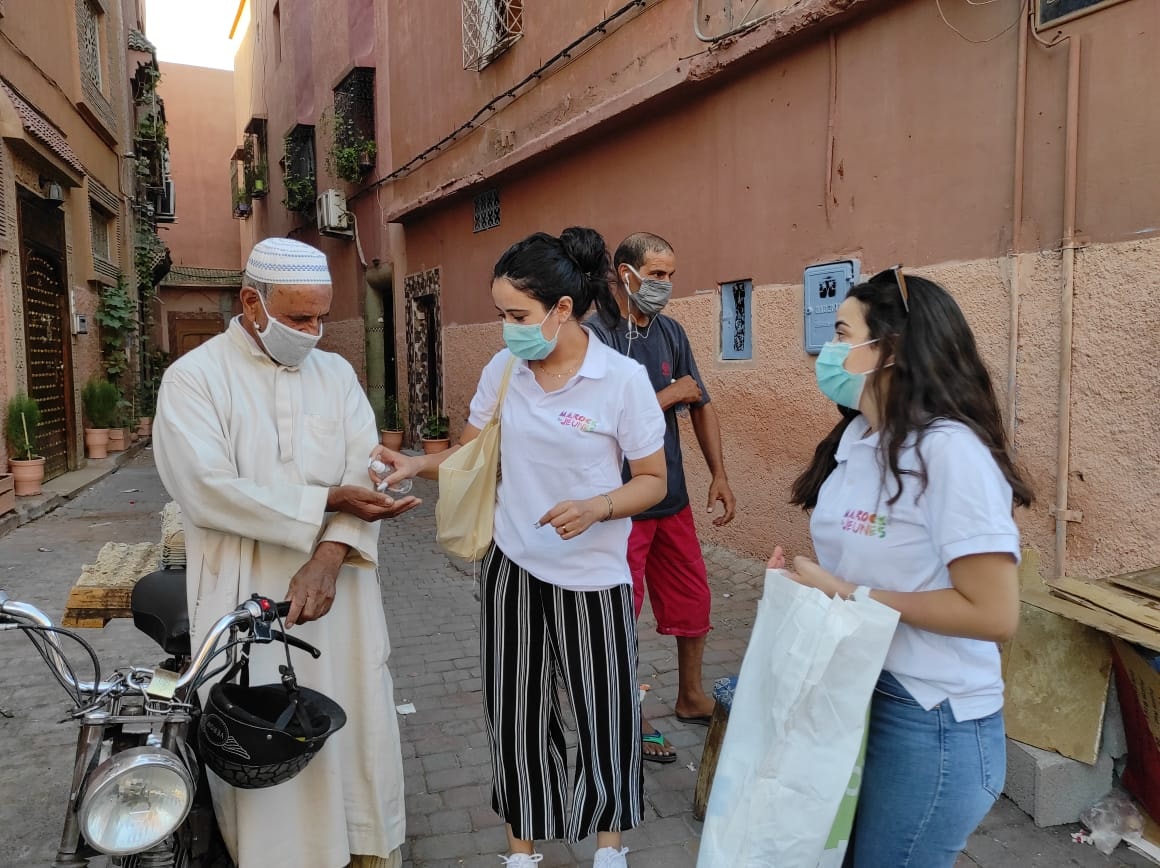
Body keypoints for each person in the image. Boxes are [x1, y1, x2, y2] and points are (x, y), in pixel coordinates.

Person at [371, 227, 667, 868]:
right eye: (501, 313)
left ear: (562, 309)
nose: (507, 328)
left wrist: (597, 507)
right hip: (513, 570)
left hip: (594, 578)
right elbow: (473, 455)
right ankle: (522, 849)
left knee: (604, 713)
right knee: (517, 714)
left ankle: (609, 846)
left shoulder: (620, 380)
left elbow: (654, 481)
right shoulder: (504, 370)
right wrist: (412, 464)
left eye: (518, 315)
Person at [153, 237, 419, 868]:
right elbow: (206, 489)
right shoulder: (195, 379)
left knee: (353, 723)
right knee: (261, 733)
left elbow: (368, 471)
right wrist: (326, 500)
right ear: (252, 302)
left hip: (339, 595)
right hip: (243, 595)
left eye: (321, 316)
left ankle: (360, 850)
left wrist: (329, 556)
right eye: (299, 317)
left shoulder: (337, 374)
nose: (313, 330)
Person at [770, 267, 1032, 867]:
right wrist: (804, 587)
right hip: (861, 692)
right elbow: (857, 568)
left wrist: (846, 592)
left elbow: (994, 613)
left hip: (931, 716)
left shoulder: (951, 452)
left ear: (887, 349)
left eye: (841, 333)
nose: (826, 350)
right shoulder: (859, 438)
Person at [586, 232, 736, 763]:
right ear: (625, 274)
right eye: (655, 275)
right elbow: (600, 418)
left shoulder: (671, 332)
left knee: (694, 601)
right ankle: (628, 714)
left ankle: (691, 696)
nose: (665, 286)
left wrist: (718, 473)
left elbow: (703, 404)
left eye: (670, 275)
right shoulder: (595, 335)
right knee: (618, 613)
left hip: (672, 500)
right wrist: (671, 394)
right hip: (619, 505)